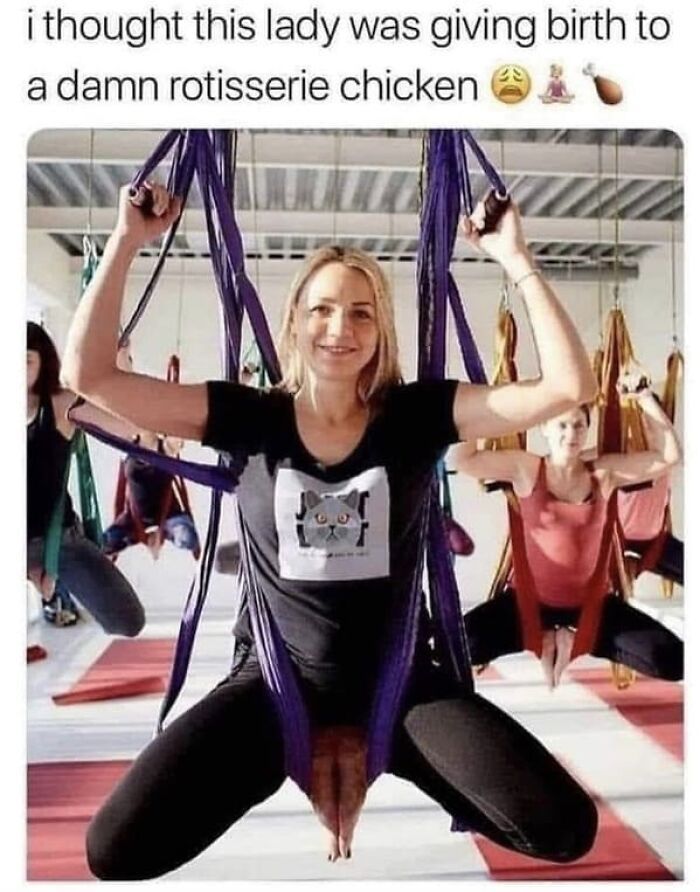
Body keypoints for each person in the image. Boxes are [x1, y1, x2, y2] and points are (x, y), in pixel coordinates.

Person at [63, 181, 600, 880]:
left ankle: (363, 749)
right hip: (275, 685)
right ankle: (306, 749)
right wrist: (127, 238)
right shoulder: (246, 418)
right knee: (116, 850)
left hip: (401, 685)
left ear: (382, 330)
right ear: (294, 322)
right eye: (321, 310)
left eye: (360, 314)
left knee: (565, 829)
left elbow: (566, 388)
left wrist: (515, 257)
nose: (339, 330)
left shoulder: (417, 416)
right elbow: (89, 375)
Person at [452, 396, 683, 688]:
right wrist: (485, 407)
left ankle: (572, 640)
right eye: (562, 425)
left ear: (587, 430)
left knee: (673, 660)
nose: (570, 434)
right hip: (528, 602)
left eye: (579, 426)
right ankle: (543, 638)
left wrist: (644, 398)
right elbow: (464, 460)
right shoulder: (527, 469)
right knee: (457, 646)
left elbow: (669, 456)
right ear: (545, 428)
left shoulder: (604, 472)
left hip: (591, 605)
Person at [26, 321, 145, 638]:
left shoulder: (60, 404)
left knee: (128, 620)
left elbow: (128, 426)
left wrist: (120, 366)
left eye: (26, 361)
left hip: (59, 540)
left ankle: (42, 575)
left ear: (42, 364)